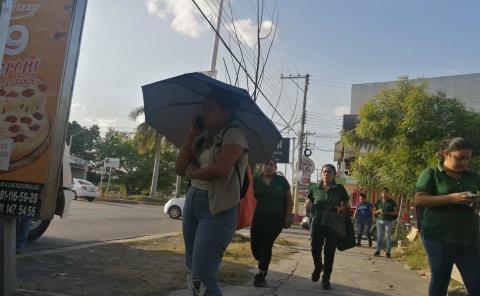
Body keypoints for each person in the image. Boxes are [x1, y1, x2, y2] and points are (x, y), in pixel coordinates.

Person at [175, 95, 249, 296]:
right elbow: (179, 167)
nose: (205, 112)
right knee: (192, 270)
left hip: (217, 207)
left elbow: (220, 170)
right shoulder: (201, 138)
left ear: (226, 113)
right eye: (204, 107)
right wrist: (191, 135)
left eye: (211, 107)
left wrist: (194, 171)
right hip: (192, 201)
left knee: (204, 275)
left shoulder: (234, 134)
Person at [415, 137, 480, 296]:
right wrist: (452, 198)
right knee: (440, 279)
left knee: (476, 281)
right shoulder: (431, 173)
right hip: (438, 237)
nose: (465, 162)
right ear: (446, 154)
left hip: (468, 237)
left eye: (468, 158)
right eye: (460, 158)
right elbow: (420, 199)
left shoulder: (472, 176)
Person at [305, 164, 349, 290]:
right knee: (315, 248)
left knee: (329, 252)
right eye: (324, 171)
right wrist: (307, 204)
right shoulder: (315, 187)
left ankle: (326, 279)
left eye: (329, 172)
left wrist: (340, 208)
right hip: (317, 222)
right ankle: (318, 267)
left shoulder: (339, 188)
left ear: (334, 174)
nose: (326, 174)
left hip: (332, 224)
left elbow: (346, 205)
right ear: (321, 174)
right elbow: (310, 200)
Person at [250, 159, 293, 287]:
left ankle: (261, 274)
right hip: (257, 218)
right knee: (255, 246)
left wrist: (288, 216)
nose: (268, 166)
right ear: (261, 166)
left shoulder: (281, 181)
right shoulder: (255, 180)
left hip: (276, 219)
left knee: (266, 244)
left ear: (275, 167)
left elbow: (288, 199)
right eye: (265, 164)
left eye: (271, 165)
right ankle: (262, 260)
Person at [373, 187, 397, 258]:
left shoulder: (392, 202)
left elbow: (396, 213)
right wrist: (378, 211)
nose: (384, 193)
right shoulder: (378, 202)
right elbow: (373, 212)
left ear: (388, 193)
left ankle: (388, 252)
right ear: (381, 193)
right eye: (383, 192)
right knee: (379, 236)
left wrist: (387, 212)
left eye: (386, 192)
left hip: (388, 221)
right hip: (379, 221)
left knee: (388, 237)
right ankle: (377, 251)